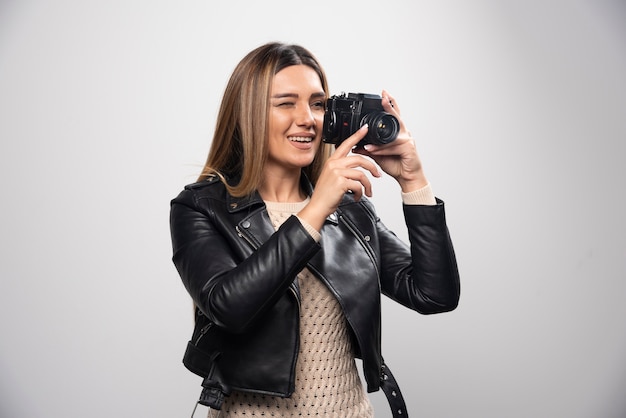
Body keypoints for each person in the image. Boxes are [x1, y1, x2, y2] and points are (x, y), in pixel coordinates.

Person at [170, 42, 460, 418]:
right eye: (286, 103)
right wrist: (316, 208)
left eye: (318, 103)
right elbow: (229, 307)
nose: (308, 118)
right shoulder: (201, 207)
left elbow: (434, 295)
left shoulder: (350, 210)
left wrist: (413, 180)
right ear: (248, 114)